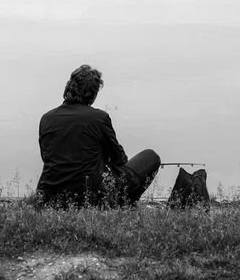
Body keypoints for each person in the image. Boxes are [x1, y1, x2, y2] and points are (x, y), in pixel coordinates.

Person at [36, 65, 161, 208]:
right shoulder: (99, 118)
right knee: (151, 157)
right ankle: (126, 204)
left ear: (68, 87)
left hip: (50, 195)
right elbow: (119, 159)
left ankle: (120, 203)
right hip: (89, 197)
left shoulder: (47, 119)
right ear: (93, 94)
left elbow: (47, 157)